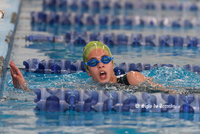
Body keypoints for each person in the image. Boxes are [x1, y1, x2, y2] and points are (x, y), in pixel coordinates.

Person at [9, 41, 176, 93]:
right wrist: (24, 87)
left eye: (105, 59)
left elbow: (170, 94)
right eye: (94, 63)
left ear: (112, 64)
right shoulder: (86, 89)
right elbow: (54, 93)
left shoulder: (132, 78)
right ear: (88, 71)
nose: (100, 64)